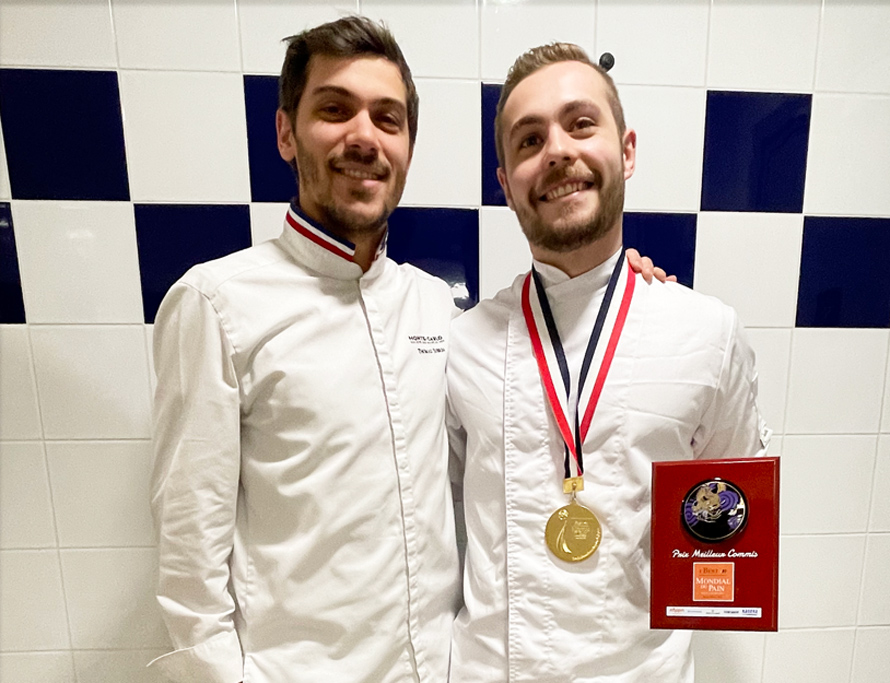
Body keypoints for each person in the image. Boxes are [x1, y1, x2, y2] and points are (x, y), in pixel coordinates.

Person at [149, 16, 665, 683]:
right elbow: (188, 562)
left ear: (407, 146)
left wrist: (632, 288)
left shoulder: (439, 310)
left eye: (387, 119)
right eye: (334, 111)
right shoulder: (216, 304)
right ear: (286, 132)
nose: (364, 136)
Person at [446, 43, 771, 682]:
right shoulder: (462, 342)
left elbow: (733, 522)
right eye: (529, 139)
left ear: (625, 151)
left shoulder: (707, 333)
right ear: (506, 183)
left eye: (580, 124)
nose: (558, 150)